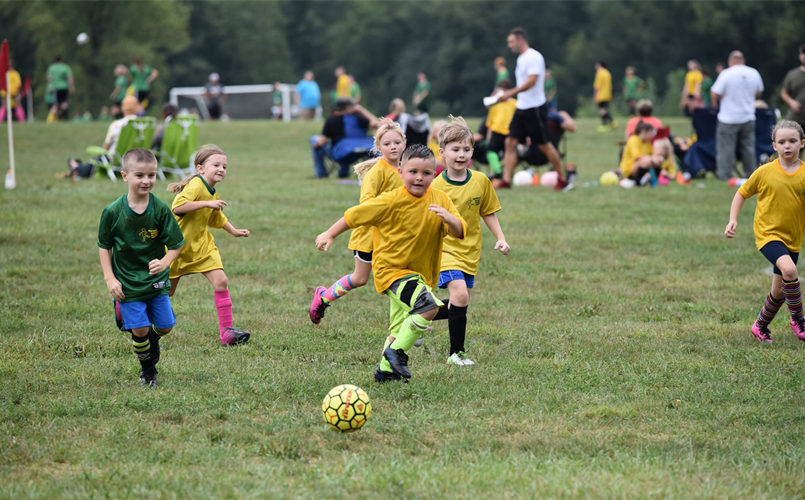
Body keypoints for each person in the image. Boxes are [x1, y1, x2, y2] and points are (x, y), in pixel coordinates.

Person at [314, 144, 466, 382]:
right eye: (413, 171)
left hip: (420, 275)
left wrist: (450, 219)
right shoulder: (391, 200)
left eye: (426, 173)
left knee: (399, 329)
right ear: (400, 172)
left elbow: (458, 231)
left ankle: (385, 371)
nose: (419, 178)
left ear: (434, 174)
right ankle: (396, 353)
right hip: (392, 271)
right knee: (428, 308)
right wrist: (330, 234)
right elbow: (354, 215)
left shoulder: (440, 199)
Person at [97, 148, 185, 387]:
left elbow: (177, 244)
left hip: (155, 281)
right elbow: (104, 246)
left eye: (152, 175)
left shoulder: (160, 209)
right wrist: (109, 279)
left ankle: (150, 337)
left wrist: (165, 262)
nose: (146, 181)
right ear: (125, 176)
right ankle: (148, 371)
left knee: (166, 326)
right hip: (127, 283)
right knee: (140, 329)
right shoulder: (113, 212)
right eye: (139, 175)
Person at [309, 119, 406, 324]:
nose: (393, 147)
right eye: (387, 144)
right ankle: (323, 296)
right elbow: (366, 206)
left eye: (397, 142)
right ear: (378, 147)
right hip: (369, 235)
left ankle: (410, 317)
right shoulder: (377, 172)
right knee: (360, 279)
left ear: (404, 143)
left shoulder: (406, 169)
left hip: (393, 236)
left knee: (396, 277)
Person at [430, 117, 509, 366]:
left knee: (459, 303)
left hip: (470, 251)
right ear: (442, 153)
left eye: (466, 149)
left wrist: (501, 238)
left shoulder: (481, 180)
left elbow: (487, 212)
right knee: (460, 296)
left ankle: (418, 317)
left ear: (473, 151)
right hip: (445, 250)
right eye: (455, 150)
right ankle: (456, 353)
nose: (461, 154)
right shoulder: (436, 186)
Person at [724, 120, 805, 343]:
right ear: (774, 146)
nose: (787, 146)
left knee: (779, 291)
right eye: (782, 142)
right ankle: (799, 320)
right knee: (789, 271)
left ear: (802, 143)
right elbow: (741, 193)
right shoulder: (765, 172)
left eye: (792, 141)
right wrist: (733, 220)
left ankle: (760, 325)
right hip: (768, 234)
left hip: (793, 238)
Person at [167, 144, 252, 346]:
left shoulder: (212, 190)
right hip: (177, 249)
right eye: (216, 165)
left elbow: (217, 218)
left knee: (221, 281)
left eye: (224, 166)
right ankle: (125, 304)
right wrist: (206, 203)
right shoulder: (196, 185)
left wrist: (234, 231)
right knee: (165, 292)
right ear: (200, 168)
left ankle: (227, 333)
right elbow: (178, 206)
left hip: (202, 247)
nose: (222, 169)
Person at [496, 27, 568, 190]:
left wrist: (509, 93)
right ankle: (506, 180)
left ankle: (562, 179)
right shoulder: (521, 59)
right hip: (522, 107)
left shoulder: (534, 57)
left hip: (534, 108)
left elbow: (532, 81)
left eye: (511, 42)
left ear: (521, 40)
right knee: (510, 141)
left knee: (544, 144)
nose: (509, 45)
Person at [711, 50, 764, 180]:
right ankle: (751, 175)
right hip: (748, 115)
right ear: (743, 61)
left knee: (726, 148)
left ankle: (725, 175)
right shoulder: (753, 73)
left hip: (728, 117)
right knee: (748, 147)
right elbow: (759, 93)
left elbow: (715, 93)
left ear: (731, 62)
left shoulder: (726, 74)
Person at [310, 97, 379, 178]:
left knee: (315, 141)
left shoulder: (332, 119)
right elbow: (377, 123)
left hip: (341, 154)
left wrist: (315, 143)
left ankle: (321, 174)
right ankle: (343, 172)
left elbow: (322, 141)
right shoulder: (359, 118)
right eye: (353, 106)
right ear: (347, 108)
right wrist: (362, 110)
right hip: (362, 150)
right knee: (345, 148)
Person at [618, 122, 676, 187]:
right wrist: (652, 158)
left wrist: (658, 158)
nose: (652, 135)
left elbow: (653, 154)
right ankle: (637, 182)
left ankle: (654, 181)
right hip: (629, 170)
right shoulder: (634, 140)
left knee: (660, 159)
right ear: (644, 132)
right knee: (646, 161)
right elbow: (638, 157)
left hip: (642, 166)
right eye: (651, 132)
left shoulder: (647, 142)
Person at [484, 79, 517, 180]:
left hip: (510, 133)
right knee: (490, 151)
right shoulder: (495, 104)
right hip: (496, 132)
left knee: (510, 155)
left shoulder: (515, 104)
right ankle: (498, 171)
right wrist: (488, 137)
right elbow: (490, 122)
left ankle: (506, 173)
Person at [781, 44, 805, 130]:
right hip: (795, 118)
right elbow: (784, 92)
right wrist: (791, 102)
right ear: (800, 56)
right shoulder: (792, 74)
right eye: (803, 53)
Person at [46, 55, 74, 122]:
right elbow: (70, 78)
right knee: (65, 103)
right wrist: (72, 87)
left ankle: (50, 120)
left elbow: (49, 78)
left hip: (55, 88)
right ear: (61, 60)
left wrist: (50, 86)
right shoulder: (66, 67)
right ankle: (62, 115)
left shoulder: (52, 67)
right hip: (64, 87)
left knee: (55, 105)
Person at [594, 61, 615, 132]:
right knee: (605, 109)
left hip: (601, 94)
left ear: (599, 65)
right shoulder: (607, 73)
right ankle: (611, 123)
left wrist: (595, 95)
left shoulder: (600, 73)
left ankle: (605, 124)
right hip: (607, 94)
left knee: (602, 110)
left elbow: (597, 86)